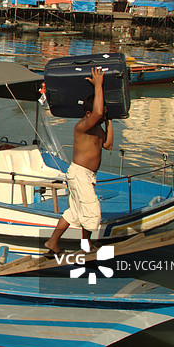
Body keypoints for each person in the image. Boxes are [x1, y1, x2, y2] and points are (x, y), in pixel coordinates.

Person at [44, 67, 113, 255]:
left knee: (75, 212)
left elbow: (107, 145)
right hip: (80, 173)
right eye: (100, 113)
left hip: (85, 175)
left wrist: (109, 120)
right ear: (89, 114)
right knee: (92, 209)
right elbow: (97, 113)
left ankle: (53, 242)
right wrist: (98, 85)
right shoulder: (82, 125)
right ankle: (86, 245)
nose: (102, 115)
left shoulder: (97, 128)